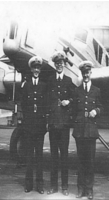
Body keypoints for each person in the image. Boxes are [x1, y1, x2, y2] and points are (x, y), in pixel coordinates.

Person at [72, 60, 103, 200]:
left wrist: (96, 111)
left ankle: (89, 190)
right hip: (79, 131)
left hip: (90, 131)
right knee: (80, 162)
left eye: (88, 72)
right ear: (81, 73)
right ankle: (80, 189)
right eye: (83, 73)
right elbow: (73, 110)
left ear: (91, 73)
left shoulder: (97, 91)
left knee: (90, 162)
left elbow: (102, 107)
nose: (86, 75)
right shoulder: (76, 91)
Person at [46, 50, 75, 196]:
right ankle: (53, 186)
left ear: (64, 64)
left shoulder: (68, 81)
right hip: (53, 125)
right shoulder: (50, 81)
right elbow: (46, 101)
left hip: (63, 125)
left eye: (61, 63)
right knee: (53, 157)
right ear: (55, 64)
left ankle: (64, 186)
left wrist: (68, 101)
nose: (59, 65)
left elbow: (75, 98)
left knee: (64, 156)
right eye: (57, 63)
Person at [21, 55, 47, 194]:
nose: (36, 70)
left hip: (40, 127)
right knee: (29, 156)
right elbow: (23, 105)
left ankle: (40, 185)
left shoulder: (44, 86)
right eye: (34, 67)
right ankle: (28, 184)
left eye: (38, 67)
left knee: (39, 157)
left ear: (40, 70)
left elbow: (46, 106)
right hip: (29, 126)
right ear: (31, 69)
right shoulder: (26, 86)